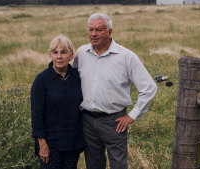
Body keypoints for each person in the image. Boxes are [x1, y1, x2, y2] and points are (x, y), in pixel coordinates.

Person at [73, 13, 157, 169]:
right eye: (91, 29)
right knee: (93, 164)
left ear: (109, 32)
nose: (93, 34)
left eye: (99, 30)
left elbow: (149, 88)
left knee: (118, 165)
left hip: (114, 122)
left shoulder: (126, 57)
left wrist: (132, 115)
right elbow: (71, 81)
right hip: (86, 121)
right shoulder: (81, 53)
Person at [31, 35, 84, 169]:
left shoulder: (78, 78)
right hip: (50, 145)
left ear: (71, 55)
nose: (59, 56)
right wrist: (42, 144)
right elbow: (36, 115)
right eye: (55, 52)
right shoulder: (42, 80)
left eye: (63, 52)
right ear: (50, 55)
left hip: (73, 143)